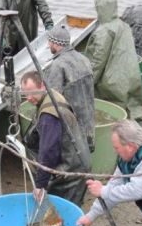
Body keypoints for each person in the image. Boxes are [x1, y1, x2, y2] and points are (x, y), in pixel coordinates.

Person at [20, 70, 91, 209]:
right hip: (79, 161)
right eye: (24, 94)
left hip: (72, 171)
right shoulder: (52, 94)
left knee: (64, 211)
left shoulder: (49, 115)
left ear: (42, 86)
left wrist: (41, 185)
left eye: (31, 92)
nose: (28, 98)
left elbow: (48, 152)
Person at [84, 0, 142, 121]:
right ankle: (131, 116)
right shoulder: (124, 25)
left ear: (99, 9)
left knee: (105, 106)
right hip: (132, 76)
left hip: (114, 83)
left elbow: (98, 62)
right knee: (128, 105)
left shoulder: (104, 30)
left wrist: (87, 83)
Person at [44, 24, 95, 152]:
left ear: (55, 43)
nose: (48, 45)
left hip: (71, 124)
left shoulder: (58, 65)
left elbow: (52, 99)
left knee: (72, 157)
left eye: (50, 41)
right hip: (88, 120)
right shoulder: (84, 59)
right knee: (85, 154)